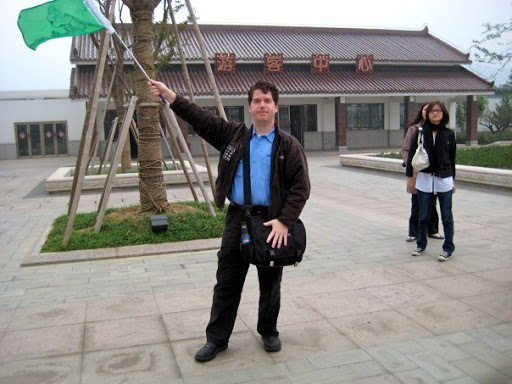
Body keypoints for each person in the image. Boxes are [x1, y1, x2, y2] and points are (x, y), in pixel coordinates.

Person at [148, 79, 311, 361]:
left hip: (271, 222)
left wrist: (285, 221)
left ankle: (269, 330)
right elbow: (200, 118)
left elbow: (301, 187)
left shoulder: (289, 145)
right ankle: (217, 339)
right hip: (238, 218)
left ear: (276, 107)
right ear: (250, 107)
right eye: (257, 100)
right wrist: (170, 96)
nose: (262, 105)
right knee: (226, 281)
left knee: (270, 280)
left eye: (267, 101)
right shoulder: (233, 136)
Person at [406, 101, 456, 261]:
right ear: (427, 114)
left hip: (445, 179)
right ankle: (421, 244)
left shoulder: (449, 134)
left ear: (443, 114)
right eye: (432, 111)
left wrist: (453, 180)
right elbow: (412, 156)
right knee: (423, 215)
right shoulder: (420, 132)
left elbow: (452, 159)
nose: (435, 113)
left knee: (447, 216)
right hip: (425, 178)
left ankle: (448, 247)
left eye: (438, 111)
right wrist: (410, 179)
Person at [401, 103, 444, 242]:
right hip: (418, 172)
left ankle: (432, 230)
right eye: (426, 110)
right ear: (422, 112)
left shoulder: (439, 130)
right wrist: (411, 164)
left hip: (434, 172)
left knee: (432, 202)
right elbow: (405, 149)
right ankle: (413, 232)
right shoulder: (414, 129)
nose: (429, 112)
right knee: (417, 203)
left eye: (432, 110)